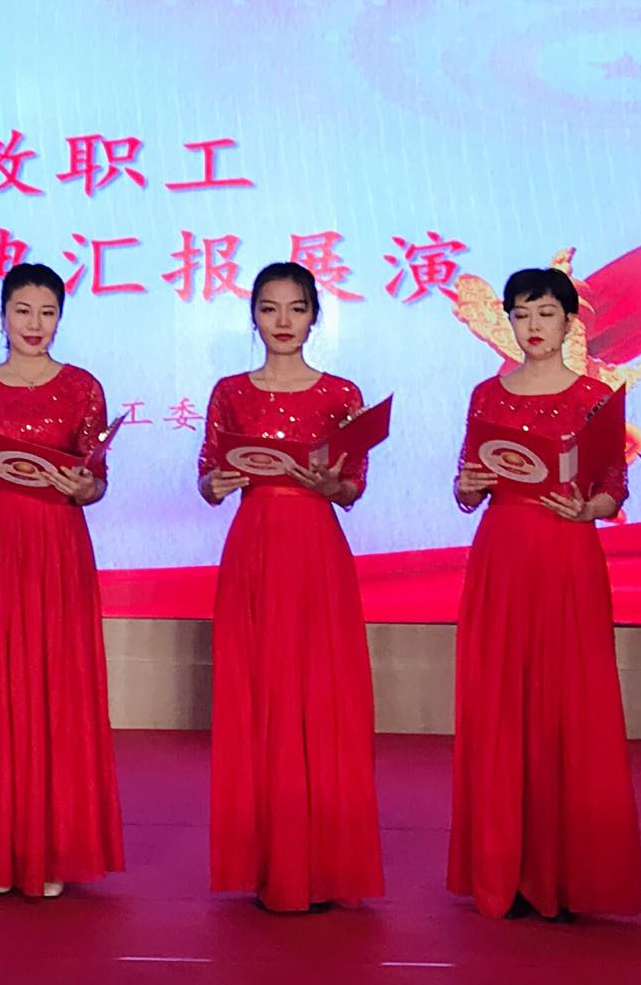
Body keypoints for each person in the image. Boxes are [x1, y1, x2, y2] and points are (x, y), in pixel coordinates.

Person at [448, 267, 641, 922]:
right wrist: (468, 487)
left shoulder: (596, 395)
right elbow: (467, 487)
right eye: (522, 314)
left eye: (547, 313)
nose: (533, 326)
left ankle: (567, 873)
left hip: (567, 553)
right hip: (502, 554)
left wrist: (591, 506)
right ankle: (504, 866)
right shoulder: (486, 395)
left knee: (568, 700)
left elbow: (614, 487)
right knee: (501, 701)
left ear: (569, 322)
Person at [197, 261, 385, 912]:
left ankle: (322, 863)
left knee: (320, 695)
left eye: (296, 308)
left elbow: (352, 486)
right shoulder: (230, 393)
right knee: (259, 694)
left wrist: (330, 484)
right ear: (253, 316)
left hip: (315, 550)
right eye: (270, 308)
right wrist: (216, 483)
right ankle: (268, 861)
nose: (283, 321)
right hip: (253, 547)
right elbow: (208, 478)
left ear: (314, 317)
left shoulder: (341, 394)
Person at [0, 263, 123, 898]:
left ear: (60, 318)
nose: (34, 324)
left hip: (57, 544)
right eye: (23, 310)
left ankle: (52, 847)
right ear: (2, 315)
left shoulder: (83, 388)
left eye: (47, 312)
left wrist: (84, 486)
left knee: (56, 682)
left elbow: (97, 481)